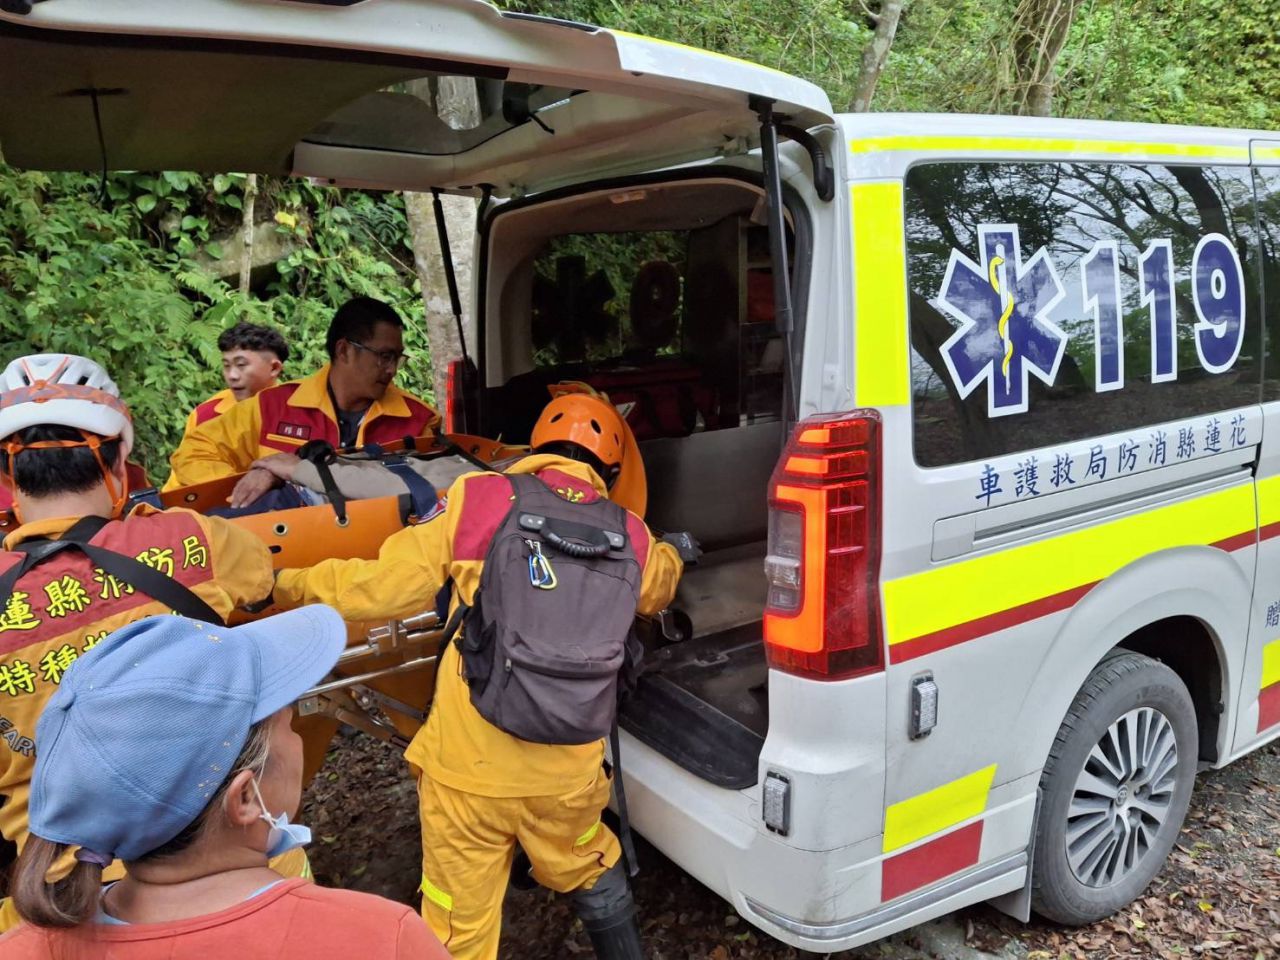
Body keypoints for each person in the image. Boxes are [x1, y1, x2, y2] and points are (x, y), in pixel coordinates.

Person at [273, 393, 683, 960]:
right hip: (569, 772)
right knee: (588, 857)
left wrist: (286, 585)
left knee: (457, 925)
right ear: (610, 472)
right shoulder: (632, 533)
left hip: (470, 772)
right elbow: (661, 587)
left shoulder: (480, 497)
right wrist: (672, 553)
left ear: (535, 449)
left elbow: (381, 588)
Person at [0, 353, 307, 931]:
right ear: (120, 462)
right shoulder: (192, 540)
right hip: (228, 864)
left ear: (9, 478)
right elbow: (261, 579)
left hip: (59, 893)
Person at [0, 608, 449, 960]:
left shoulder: (21, 948)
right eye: (289, 723)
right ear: (246, 798)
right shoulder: (376, 938)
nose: (297, 737)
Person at [166, 297, 439, 503]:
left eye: (396, 358)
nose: (392, 370)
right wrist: (248, 488)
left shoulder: (419, 421)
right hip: (284, 547)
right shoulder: (273, 406)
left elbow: (433, 493)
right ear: (344, 350)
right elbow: (194, 451)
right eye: (384, 357)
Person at [163, 322, 290, 492]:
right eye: (226, 365)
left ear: (274, 368)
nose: (232, 375)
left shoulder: (299, 412)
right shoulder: (207, 413)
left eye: (241, 365)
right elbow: (182, 475)